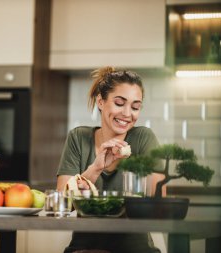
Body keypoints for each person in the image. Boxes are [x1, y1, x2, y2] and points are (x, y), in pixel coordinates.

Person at [56, 66, 164, 253]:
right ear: (100, 101)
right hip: (84, 250)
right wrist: (94, 169)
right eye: (119, 103)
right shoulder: (78, 138)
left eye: (135, 106)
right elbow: (61, 205)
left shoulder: (143, 139)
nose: (127, 114)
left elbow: (159, 204)